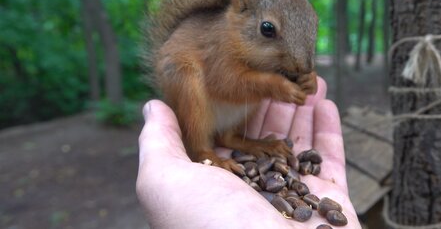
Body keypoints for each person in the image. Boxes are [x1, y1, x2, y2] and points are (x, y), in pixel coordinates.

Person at [136, 78, 361, 228]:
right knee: (188, 76)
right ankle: (205, 150)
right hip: (205, 100)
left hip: (234, 119)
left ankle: (232, 137)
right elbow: (227, 81)